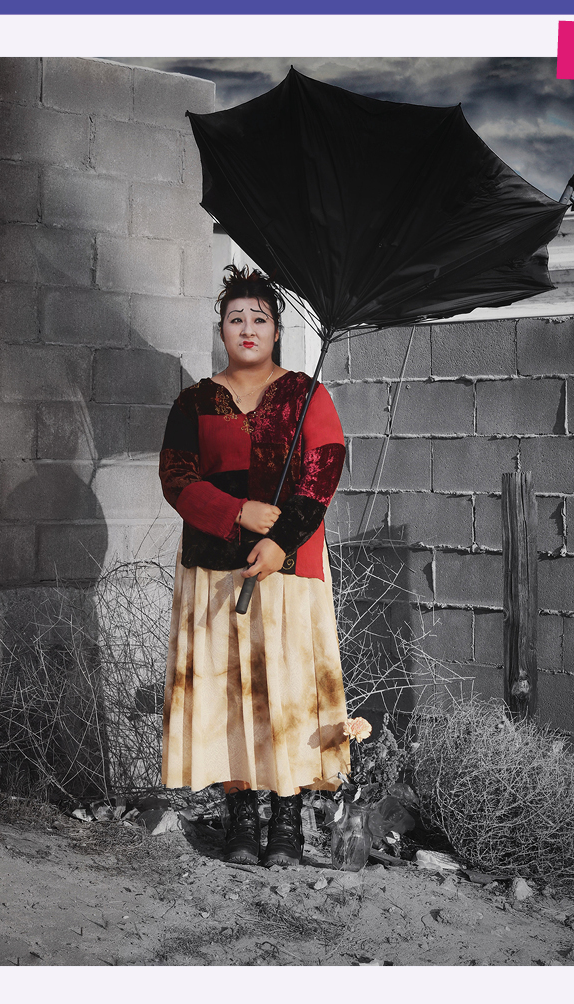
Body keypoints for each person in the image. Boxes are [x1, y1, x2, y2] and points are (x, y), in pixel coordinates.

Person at [159, 264, 350, 867]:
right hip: (214, 573)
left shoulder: (307, 394)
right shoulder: (194, 400)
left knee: (286, 695)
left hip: (288, 575)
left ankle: (287, 825)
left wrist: (281, 542)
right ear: (221, 330)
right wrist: (239, 512)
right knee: (228, 694)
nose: (247, 328)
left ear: (277, 331)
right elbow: (176, 478)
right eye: (236, 318)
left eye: (259, 318)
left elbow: (323, 474)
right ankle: (240, 821)